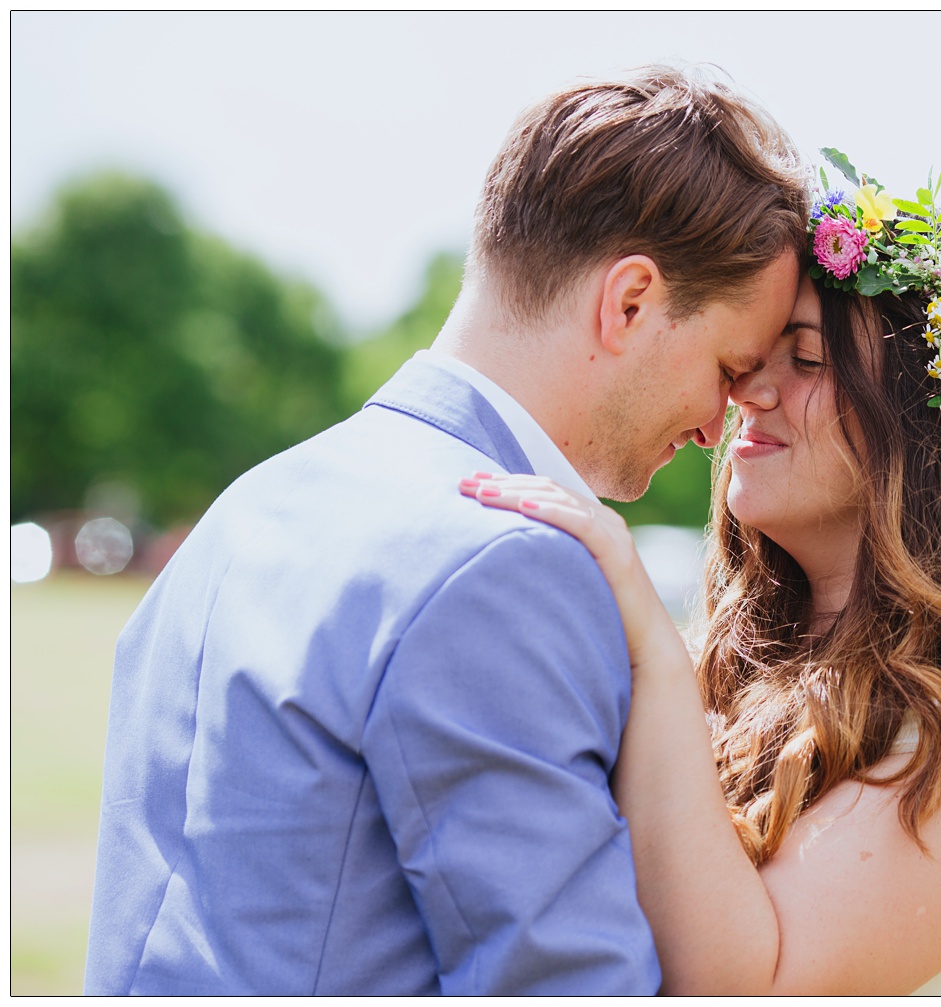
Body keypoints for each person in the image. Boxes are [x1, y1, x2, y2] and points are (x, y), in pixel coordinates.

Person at [83, 65, 807, 995]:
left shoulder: (251, 504)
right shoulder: (502, 565)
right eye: (728, 363)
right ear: (629, 301)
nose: (718, 426)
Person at [463, 160, 941, 994]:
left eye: (809, 359)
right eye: (754, 356)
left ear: (927, 434)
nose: (748, 389)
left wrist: (646, 645)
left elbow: (750, 986)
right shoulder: (735, 667)